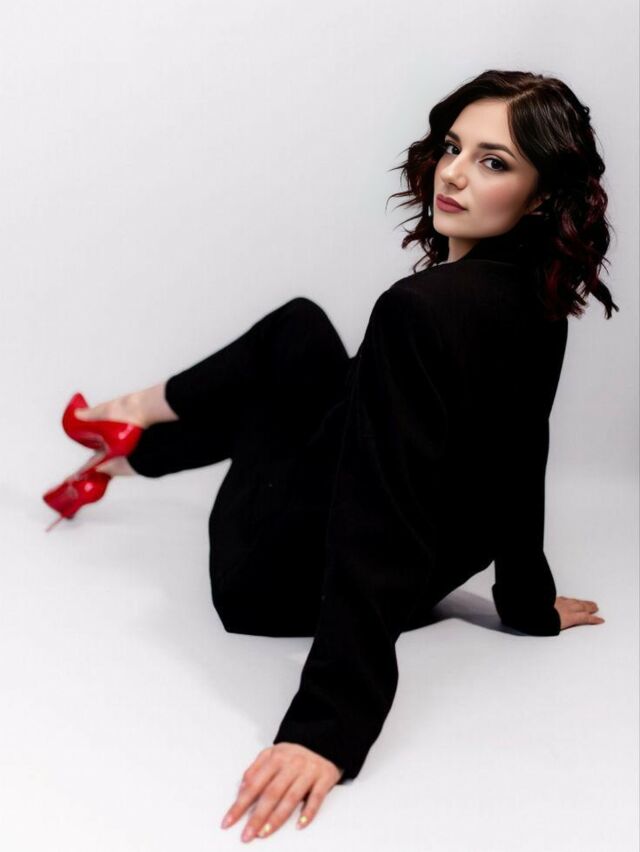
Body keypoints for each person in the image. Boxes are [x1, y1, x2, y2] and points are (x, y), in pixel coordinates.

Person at [42, 69, 618, 841]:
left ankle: (123, 430)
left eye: (493, 162)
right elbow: (523, 452)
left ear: (542, 195)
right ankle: (119, 447)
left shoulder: (417, 310)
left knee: (271, 378)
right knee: (300, 340)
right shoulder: (541, 302)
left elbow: (381, 512)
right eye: (454, 147)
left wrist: (329, 725)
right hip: (428, 569)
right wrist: (527, 602)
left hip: (273, 583)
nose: (452, 173)